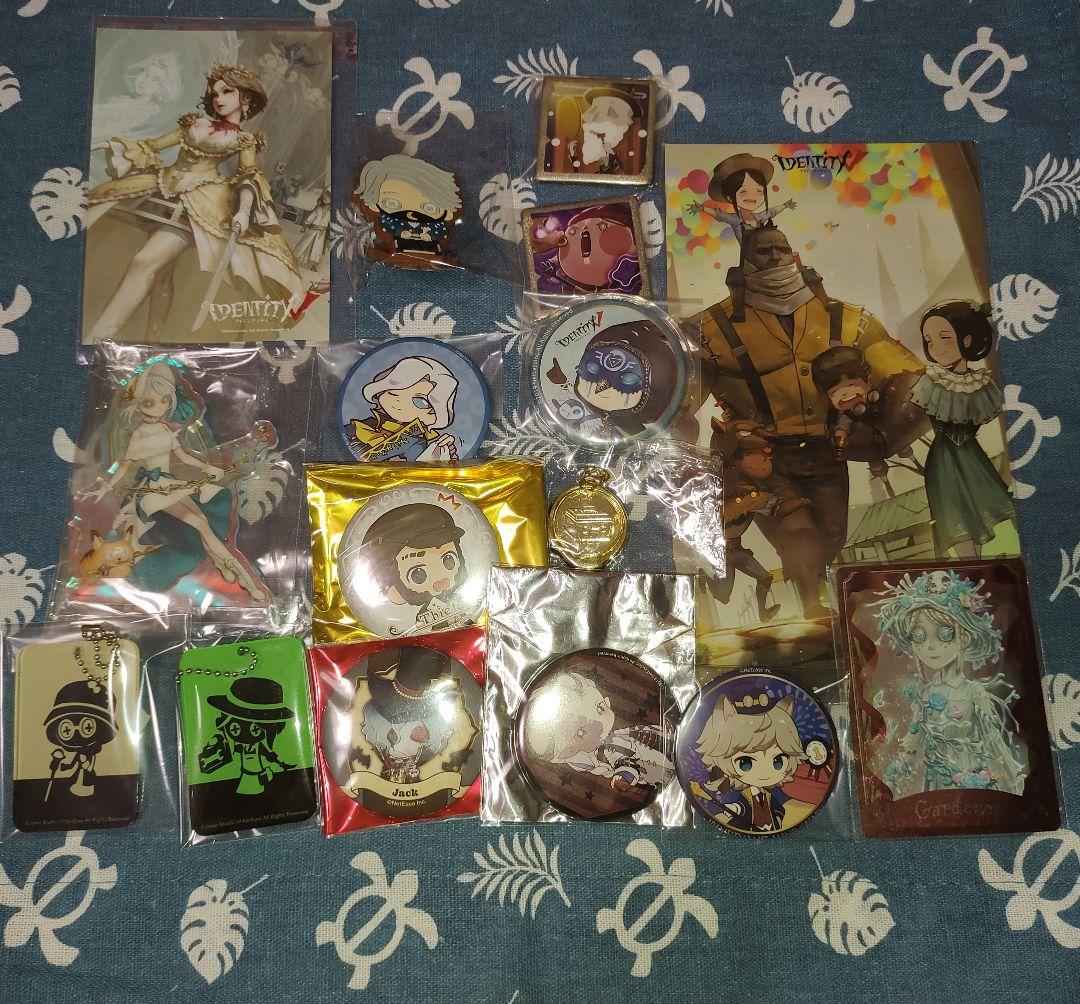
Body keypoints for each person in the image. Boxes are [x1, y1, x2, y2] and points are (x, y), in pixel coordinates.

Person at [701, 223, 927, 616]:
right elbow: (680, 395)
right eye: (763, 251)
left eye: (780, 249)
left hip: (828, 449)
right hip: (764, 455)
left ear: (794, 255)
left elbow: (909, 376)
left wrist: (880, 436)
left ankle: (820, 606)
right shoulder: (709, 329)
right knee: (797, 531)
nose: (774, 258)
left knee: (830, 536)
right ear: (745, 261)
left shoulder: (849, 320)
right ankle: (811, 607)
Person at [86, 63, 303, 341]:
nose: (218, 98)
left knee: (144, 261)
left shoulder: (244, 140)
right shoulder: (195, 124)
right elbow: (152, 146)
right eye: (215, 93)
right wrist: (112, 144)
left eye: (227, 92)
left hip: (199, 206)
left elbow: (249, 176)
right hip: (161, 193)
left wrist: (244, 211)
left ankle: (99, 337)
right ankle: (154, 341)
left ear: (246, 98)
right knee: (161, 275)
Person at [83, 359, 269, 602]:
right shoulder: (138, 435)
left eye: (164, 401)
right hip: (151, 492)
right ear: (138, 404)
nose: (158, 408)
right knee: (198, 526)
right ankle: (239, 577)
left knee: (204, 525)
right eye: (149, 402)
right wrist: (105, 487)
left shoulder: (165, 430)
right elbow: (124, 466)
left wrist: (209, 467)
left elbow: (183, 456)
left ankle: (237, 574)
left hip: (170, 486)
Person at [874, 569, 1027, 796]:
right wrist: (896, 776)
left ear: (963, 636)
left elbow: (994, 744)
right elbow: (913, 742)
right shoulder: (922, 693)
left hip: (969, 781)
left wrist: (1007, 779)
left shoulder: (974, 693)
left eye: (945, 634)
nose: (930, 646)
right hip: (932, 786)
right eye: (919, 636)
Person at [913, 301, 1015, 557]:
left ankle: (982, 564)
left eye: (943, 337)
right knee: (956, 518)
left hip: (974, 459)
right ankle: (970, 565)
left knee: (981, 512)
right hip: (944, 462)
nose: (936, 347)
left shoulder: (982, 384)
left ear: (967, 340)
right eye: (929, 341)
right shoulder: (932, 381)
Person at [709, 419, 810, 621]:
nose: (763, 462)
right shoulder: (719, 482)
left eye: (764, 456)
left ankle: (763, 612)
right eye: (751, 454)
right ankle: (706, 578)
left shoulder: (755, 491)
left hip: (736, 549)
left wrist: (801, 502)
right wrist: (748, 500)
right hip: (719, 554)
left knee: (765, 577)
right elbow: (724, 513)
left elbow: (777, 509)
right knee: (722, 595)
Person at [694, 691, 808, 833]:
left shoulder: (769, 796)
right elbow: (740, 807)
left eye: (778, 761)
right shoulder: (745, 795)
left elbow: (778, 809)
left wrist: (778, 817)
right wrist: (731, 810)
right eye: (746, 763)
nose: (765, 773)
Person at [345, 356, 460, 462]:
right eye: (393, 392)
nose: (399, 401)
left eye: (421, 402)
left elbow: (420, 468)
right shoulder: (364, 426)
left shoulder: (417, 442)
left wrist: (442, 452)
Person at [352, 154, 462, 265]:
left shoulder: (436, 225)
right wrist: (401, 232)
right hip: (397, 252)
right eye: (392, 203)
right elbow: (385, 227)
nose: (411, 214)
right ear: (373, 204)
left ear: (448, 213)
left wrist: (429, 236)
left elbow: (442, 233)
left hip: (430, 253)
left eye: (429, 208)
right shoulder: (390, 221)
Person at [295, 188, 331, 270]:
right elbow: (311, 217)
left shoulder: (330, 213)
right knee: (305, 244)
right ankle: (296, 258)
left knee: (317, 248)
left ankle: (314, 265)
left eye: (328, 198)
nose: (325, 199)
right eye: (324, 198)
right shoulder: (318, 209)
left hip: (321, 233)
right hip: (313, 230)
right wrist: (305, 225)